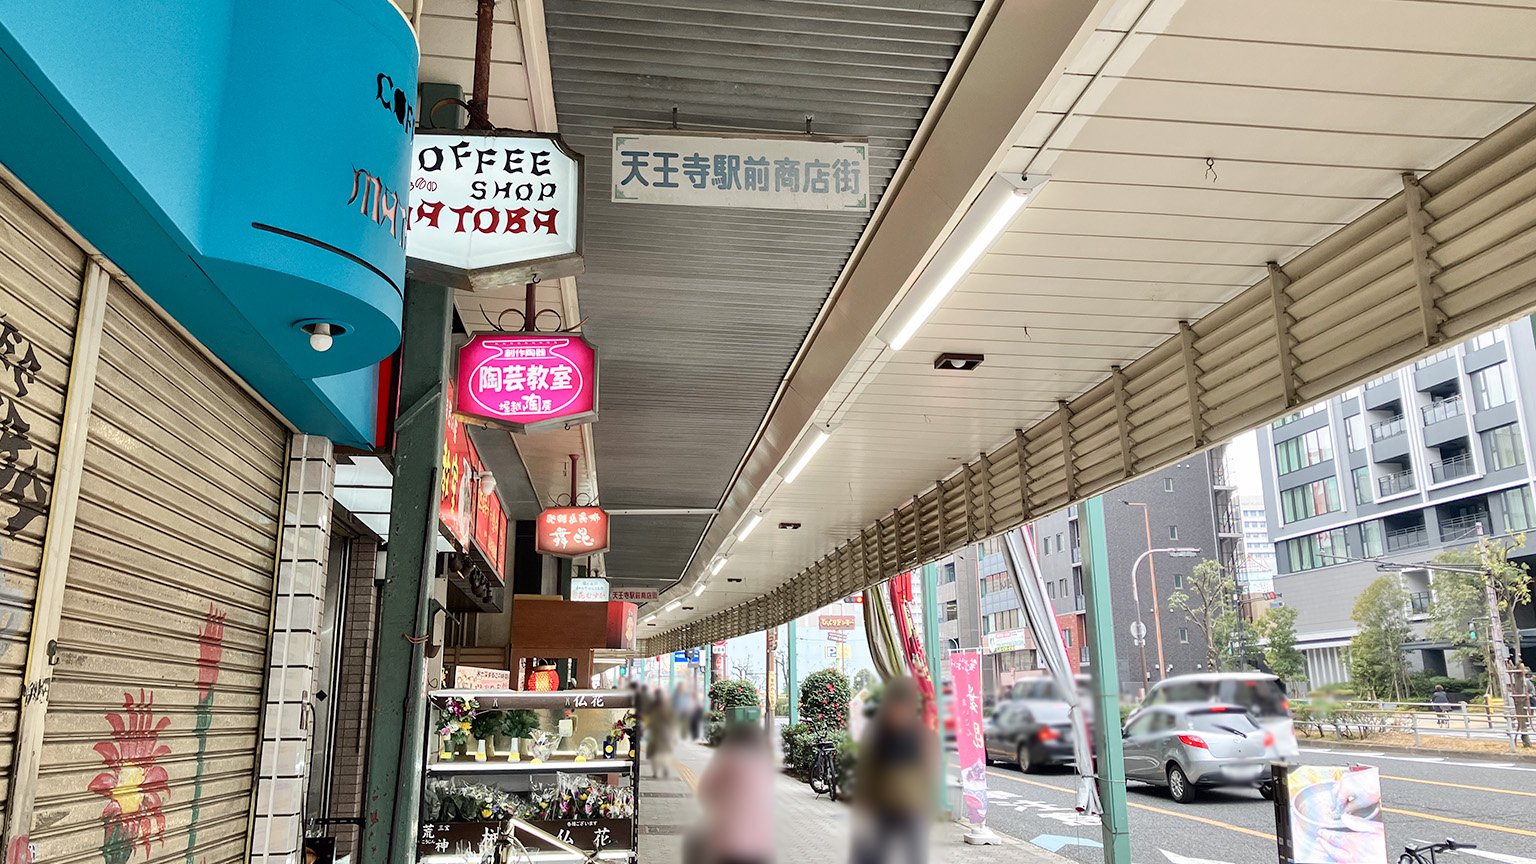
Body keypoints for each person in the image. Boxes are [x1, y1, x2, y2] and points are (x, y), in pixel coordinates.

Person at [852, 676, 936, 864]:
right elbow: (867, 769)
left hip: (912, 806)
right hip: (883, 806)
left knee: (916, 855)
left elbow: (929, 769)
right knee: (875, 855)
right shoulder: (877, 732)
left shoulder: (919, 733)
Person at [692, 722, 776, 864]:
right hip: (757, 843)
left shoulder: (726, 761)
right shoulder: (762, 764)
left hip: (728, 839)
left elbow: (706, 790)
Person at [646, 686, 678, 778]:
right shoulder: (668, 707)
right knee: (665, 752)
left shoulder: (651, 708)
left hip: (654, 732)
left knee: (654, 753)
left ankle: (656, 772)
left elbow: (648, 720)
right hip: (666, 733)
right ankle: (665, 767)